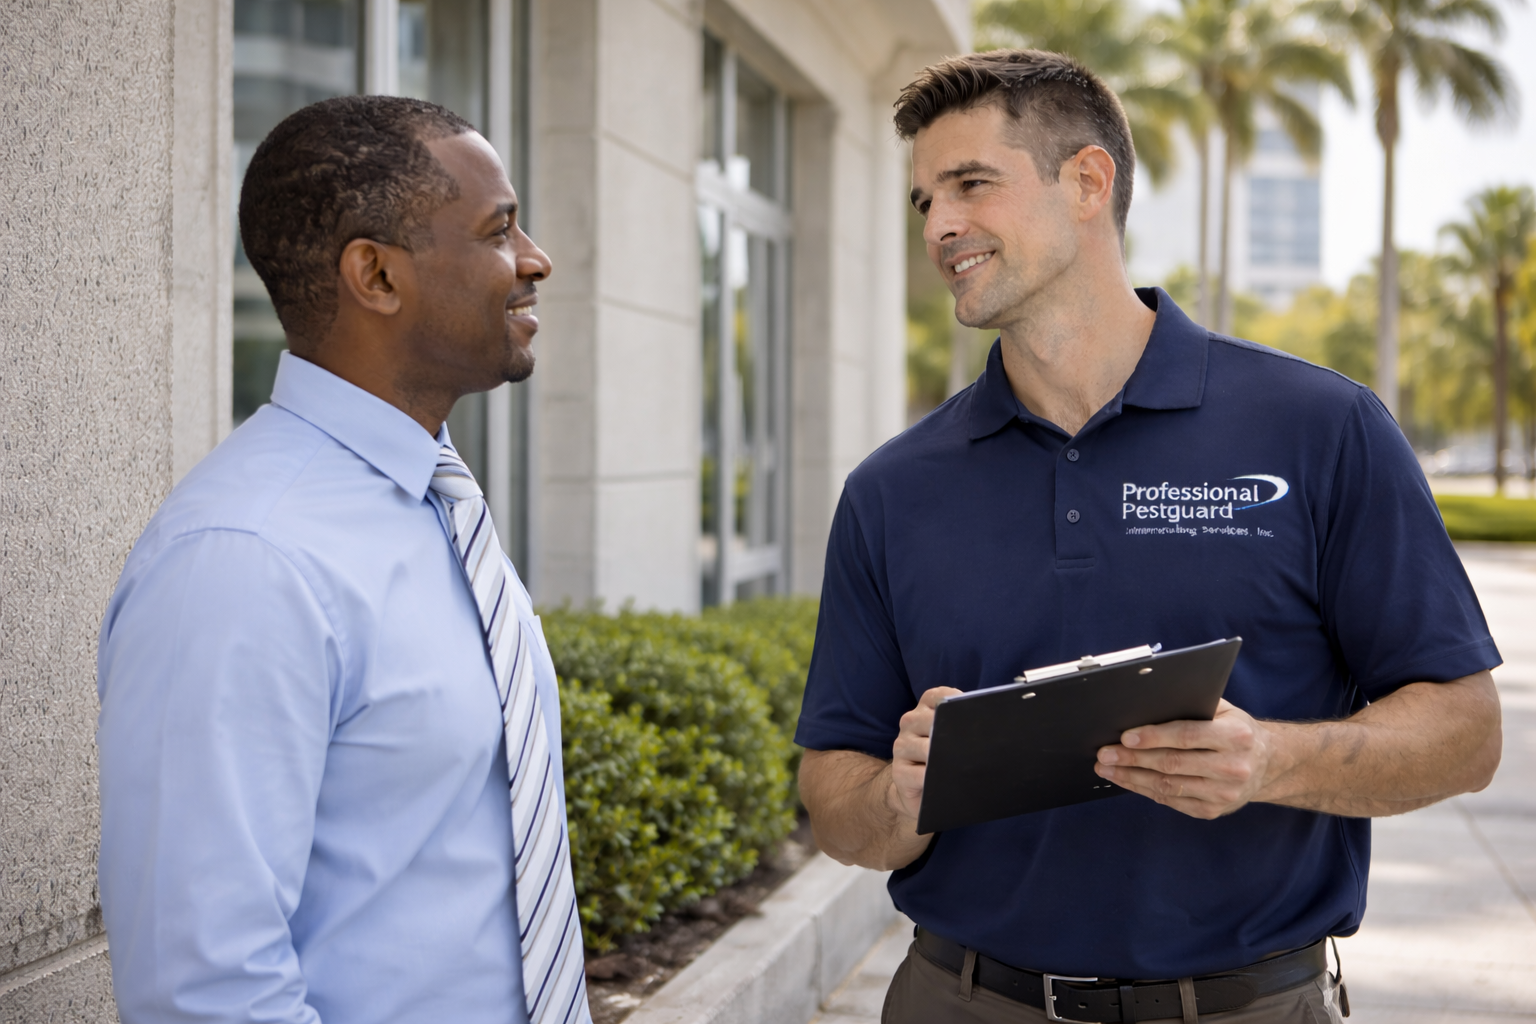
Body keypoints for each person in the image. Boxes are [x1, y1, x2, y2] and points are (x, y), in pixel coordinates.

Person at [795, 50, 1503, 1024]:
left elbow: (1466, 733)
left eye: (970, 185)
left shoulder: (1321, 427)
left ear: (1088, 181)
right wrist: (897, 797)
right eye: (923, 201)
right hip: (965, 1001)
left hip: (1252, 1005)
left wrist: (1271, 761)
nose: (940, 226)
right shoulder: (892, 490)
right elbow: (833, 786)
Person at [97, 96, 591, 1024]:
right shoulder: (245, 562)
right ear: (376, 274)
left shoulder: (432, 503)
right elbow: (203, 991)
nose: (535, 259)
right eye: (500, 229)